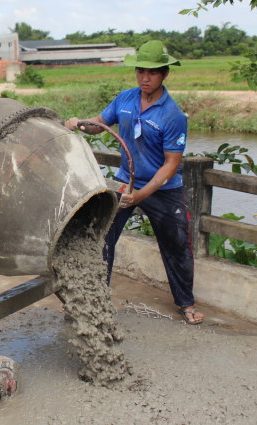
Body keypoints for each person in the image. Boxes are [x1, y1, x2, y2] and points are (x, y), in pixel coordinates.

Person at [65, 40, 205, 325]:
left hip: (163, 189)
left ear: (164, 74)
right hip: (124, 182)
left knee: (176, 244)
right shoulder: (125, 99)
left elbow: (171, 164)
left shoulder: (173, 115)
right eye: (140, 71)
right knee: (101, 238)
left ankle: (186, 302)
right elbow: (99, 124)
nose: (144, 77)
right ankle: (95, 298)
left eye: (152, 73)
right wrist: (79, 123)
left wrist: (141, 195)